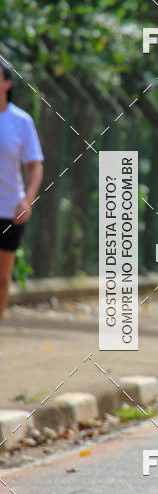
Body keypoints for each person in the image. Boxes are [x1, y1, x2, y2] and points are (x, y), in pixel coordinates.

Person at [0, 65, 44, 325]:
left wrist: (27, 200)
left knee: (2, 279)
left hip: (9, 209)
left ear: (7, 83)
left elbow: (34, 164)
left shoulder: (21, 121)